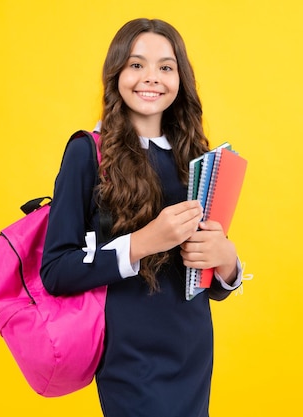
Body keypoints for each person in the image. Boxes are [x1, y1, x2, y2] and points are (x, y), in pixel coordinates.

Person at [41, 18, 244, 417]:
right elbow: (56, 270)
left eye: (166, 67)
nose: (151, 78)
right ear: (116, 72)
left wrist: (226, 260)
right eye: (136, 65)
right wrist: (143, 242)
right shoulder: (87, 153)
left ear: (180, 79)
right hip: (127, 355)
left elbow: (208, 284)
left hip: (192, 350)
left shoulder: (196, 158)